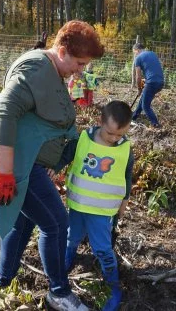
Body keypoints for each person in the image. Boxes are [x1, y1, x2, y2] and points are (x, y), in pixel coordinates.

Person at [0, 20, 104, 311]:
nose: (81, 69)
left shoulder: (52, 71)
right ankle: (59, 293)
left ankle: (2, 283)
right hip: (15, 164)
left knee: (21, 220)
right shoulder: (36, 68)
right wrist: (5, 174)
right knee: (56, 223)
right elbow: (5, 112)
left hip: (28, 161)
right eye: (79, 63)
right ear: (62, 50)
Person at [53, 100, 134, 311]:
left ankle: (113, 285)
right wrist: (55, 168)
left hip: (103, 211)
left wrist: (124, 201)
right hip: (78, 205)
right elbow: (66, 156)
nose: (115, 139)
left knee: (102, 248)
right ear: (100, 122)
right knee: (71, 236)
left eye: (120, 134)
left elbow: (126, 176)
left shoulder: (124, 149)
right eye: (110, 133)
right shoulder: (82, 139)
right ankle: (67, 259)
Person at [131, 43, 164, 128]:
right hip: (160, 82)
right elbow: (153, 69)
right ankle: (133, 117)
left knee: (145, 106)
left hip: (152, 83)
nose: (135, 55)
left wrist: (139, 88)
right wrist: (146, 81)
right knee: (144, 99)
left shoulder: (138, 58)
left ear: (137, 50)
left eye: (134, 53)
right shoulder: (152, 53)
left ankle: (155, 124)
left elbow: (138, 77)